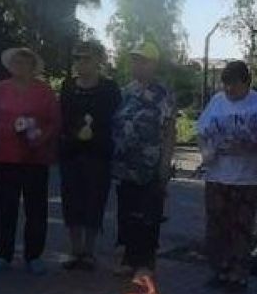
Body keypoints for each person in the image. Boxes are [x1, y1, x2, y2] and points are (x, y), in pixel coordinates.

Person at [195, 60, 257, 291]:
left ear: (246, 83)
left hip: (246, 179)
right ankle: (219, 270)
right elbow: (201, 132)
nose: (229, 89)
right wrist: (205, 151)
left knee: (241, 227)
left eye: (234, 85)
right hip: (217, 176)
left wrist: (248, 144)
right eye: (226, 84)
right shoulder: (218, 101)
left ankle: (238, 273)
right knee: (217, 226)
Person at [0, 46, 61, 274]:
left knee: (36, 208)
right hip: (4, 156)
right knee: (3, 207)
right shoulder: (1, 88)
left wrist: (40, 138)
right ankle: (3, 254)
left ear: (32, 66)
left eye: (24, 62)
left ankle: (34, 255)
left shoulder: (44, 91)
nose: (19, 66)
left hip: (35, 157)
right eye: (16, 62)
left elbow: (55, 122)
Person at [111, 39, 175, 280]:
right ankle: (128, 256)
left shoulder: (163, 94)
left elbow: (169, 130)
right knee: (127, 213)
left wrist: (165, 164)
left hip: (150, 166)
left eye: (141, 61)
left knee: (149, 214)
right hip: (125, 166)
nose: (136, 65)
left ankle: (146, 262)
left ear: (152, 64)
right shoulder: (125, 91)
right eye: (134, 60)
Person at [58, 43, 121, 270]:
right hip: (72, 153)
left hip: (98, 153)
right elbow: (62, 118)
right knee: (72, 201)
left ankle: (89, 251)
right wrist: (73, 134)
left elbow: (116, 119)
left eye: (86, 58)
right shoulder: (67, 86)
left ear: (98, 61)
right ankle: (75, 251)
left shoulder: (109, 88)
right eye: (77, 58)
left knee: (95, 201)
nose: (80, 62)